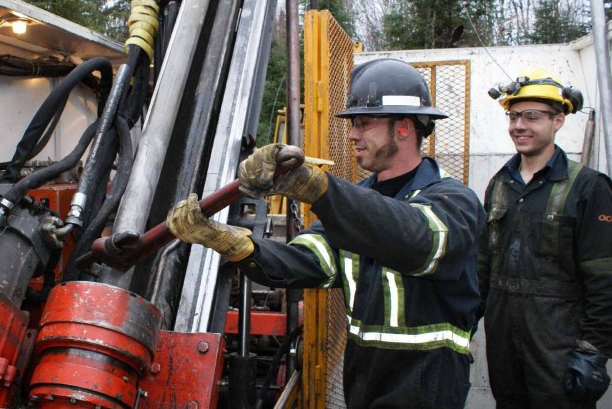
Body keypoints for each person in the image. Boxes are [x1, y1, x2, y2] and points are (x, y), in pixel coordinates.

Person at [166, 58, 485, 408]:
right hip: (364, 383)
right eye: (352, 124)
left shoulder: (454, 201)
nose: (352, 135)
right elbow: (301, 261)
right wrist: (228, 241)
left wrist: (318, 188)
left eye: (363, 123)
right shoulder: (353, 208)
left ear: (404, 127)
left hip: (428, 386)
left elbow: (416, 240)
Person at [478, 69, 612, 408]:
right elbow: (482, 267)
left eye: (532, 116)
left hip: (559, 349)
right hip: (504, 345)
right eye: (513, 116)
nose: (519, 125)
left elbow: (604, 278)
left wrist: (593, 351)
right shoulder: (500, 184)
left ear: (558, 121)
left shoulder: (588, 187)